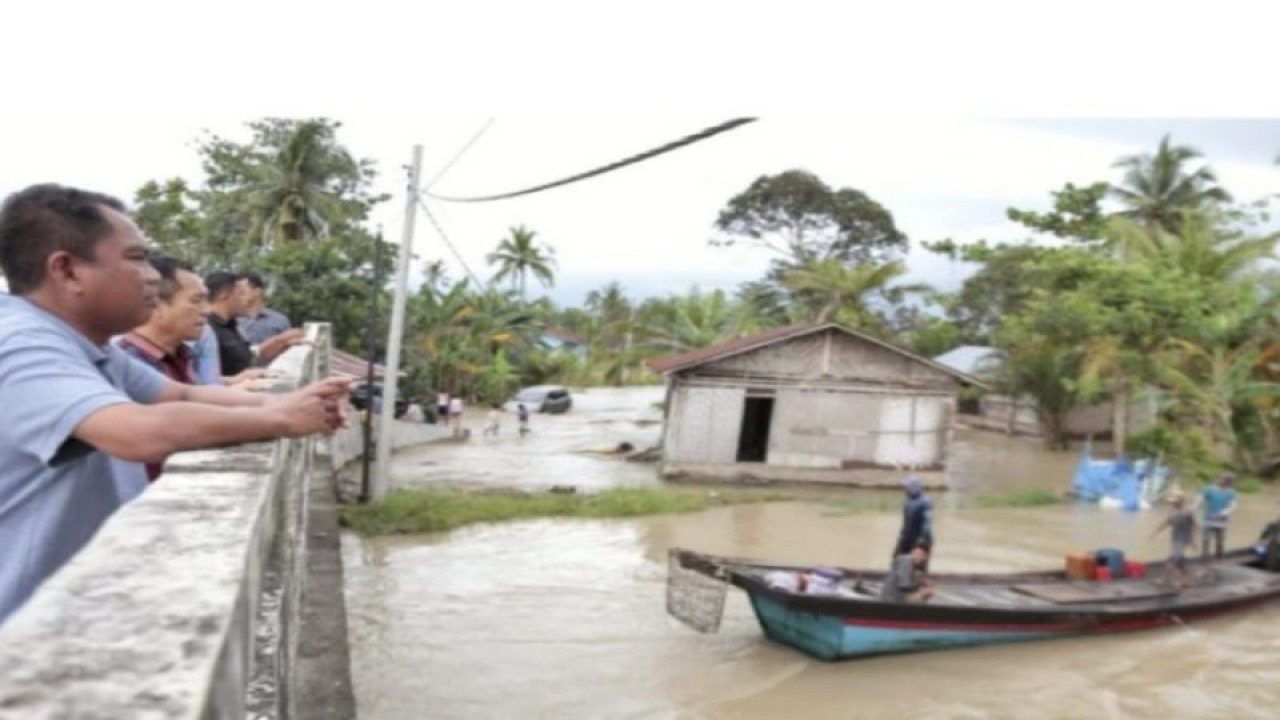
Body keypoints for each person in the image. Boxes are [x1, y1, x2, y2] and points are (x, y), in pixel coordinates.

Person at [0, 183, 350, 623]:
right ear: (67, 271)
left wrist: (288, 403)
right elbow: (135, 432)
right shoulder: (22, 345)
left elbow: (180, 393)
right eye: (136, 258)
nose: (152, 276)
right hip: (23, 632)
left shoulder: (90, 345)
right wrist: (282, 419)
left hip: (79, 608)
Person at [115, 255, 207, 481]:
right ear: (157, 305)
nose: (207, 310)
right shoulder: (128, 362)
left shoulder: (181, 355)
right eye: (196, 301)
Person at [205, 271, 302, 377]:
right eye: (241, 294)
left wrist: (281, 342)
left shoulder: (232, 326)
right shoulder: (205, 329)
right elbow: (203, 380)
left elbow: (248, 358)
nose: (245, 300)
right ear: (223, 295)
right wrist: (240, 380)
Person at [1150, 489, 1199, 587]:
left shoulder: (1187, 512)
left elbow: (1194, 526)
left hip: (1183, 539)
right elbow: (1167, 522)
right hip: (1175, 539)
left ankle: (1164, 579)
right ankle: (1187, 580)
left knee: (1172, 559)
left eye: (1174, 501)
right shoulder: (1173, 510)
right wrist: (1155, 532)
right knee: (1179, 561)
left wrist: (1193, 541)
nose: (1172, 503)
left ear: (1180, 501)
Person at [236, 271, 292, 345]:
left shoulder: (280, 320)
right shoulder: (231, 321)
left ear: (257, 292)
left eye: (242, 292)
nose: (237, 296)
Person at [893, 476, 934, 570]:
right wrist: (902, 536)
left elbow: (927, 524)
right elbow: (906, 523)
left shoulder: (925, 502)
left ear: (914, 488)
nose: (905, 490)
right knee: (897, 560)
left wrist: (921, 544)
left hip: (920, 539)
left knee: (917, 566)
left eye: (907, 487)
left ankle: (917, 583)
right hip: (907, 537)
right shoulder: (908, 501)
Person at [1199, 472, 1237, 559]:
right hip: (1208, 519)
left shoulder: (1231, 493)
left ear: (1229, 482)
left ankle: (1219, 557)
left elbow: (1233, 506)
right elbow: (1201, 499)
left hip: (1221, 521)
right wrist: (1194, 507)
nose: (1221, 480)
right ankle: (1204, 557)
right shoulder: (1209, 489)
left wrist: (1224, 512)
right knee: (1206, 539)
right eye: (1221, 478)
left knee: (1219, 541)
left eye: (1224, 479)